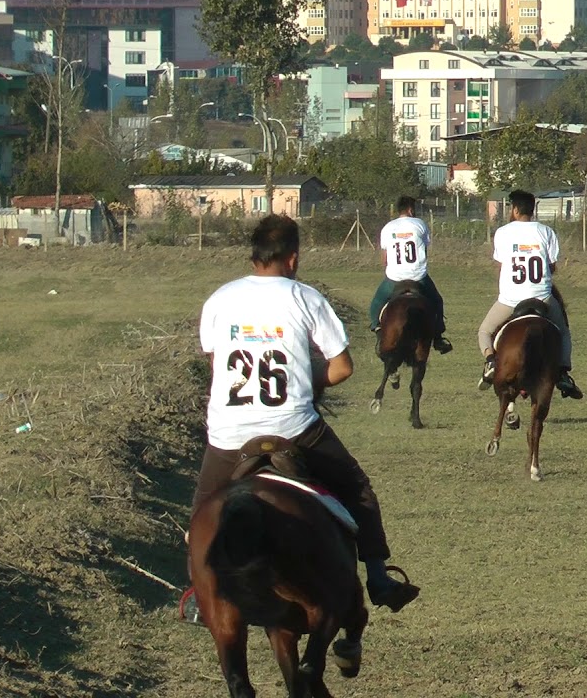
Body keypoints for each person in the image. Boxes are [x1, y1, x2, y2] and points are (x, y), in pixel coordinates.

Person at [193, 214, 419, 612]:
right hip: (294, 429)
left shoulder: (219, 299)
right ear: (293, 259)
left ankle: (198, 593)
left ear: (254, 255)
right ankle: (379, 577)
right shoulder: (306, 297)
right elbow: (342, 367)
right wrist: (308, 379)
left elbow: (219, 366)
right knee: (357, 489)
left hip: (229, 434)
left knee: (201, 513)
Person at [476, 189, 582, 399]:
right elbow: (551, 267)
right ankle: (563, 373)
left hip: (510, 299)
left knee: (485, 331)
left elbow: (500, 265)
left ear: (515, 209)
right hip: (541, 297)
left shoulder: (503, 232)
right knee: (563, 332)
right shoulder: (547, 232)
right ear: (532, 210)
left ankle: (490, 362)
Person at [369, 196, 452, 354]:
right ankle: (438, 337)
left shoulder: (388, 227)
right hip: (418, 277)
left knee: (376, 303)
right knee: (437, 300)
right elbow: (424, 251)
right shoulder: (420, 224)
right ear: (410, 209)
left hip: (395, 278)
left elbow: (384, 259)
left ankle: (378, 329)